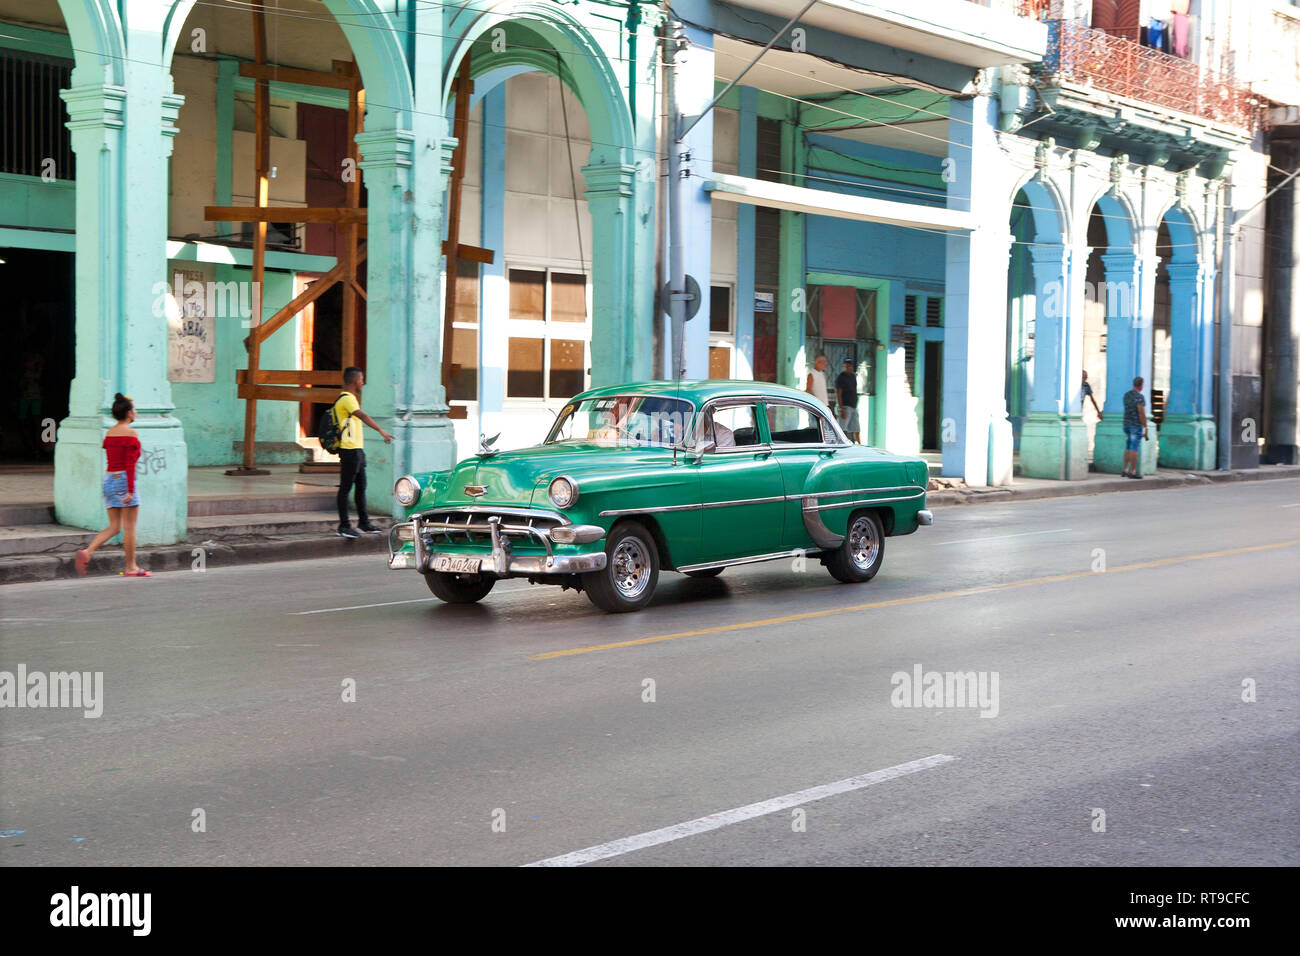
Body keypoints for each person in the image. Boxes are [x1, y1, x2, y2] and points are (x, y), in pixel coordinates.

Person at [75, 393, 150, 577]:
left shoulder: (110, 432)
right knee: (130, 527)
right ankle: (131, 567)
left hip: (109, 479)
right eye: (135, 409)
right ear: (129, 413)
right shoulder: (131, 433)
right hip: (124, 480)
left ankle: (88, 552)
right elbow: (130, 465)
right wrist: (131, 490)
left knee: (115, 527)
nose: (136, 412)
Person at [335, 366, 394, 538]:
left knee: (361, 487)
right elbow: (363, 416)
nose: (363, 382)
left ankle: (364, 522)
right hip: (349, 451)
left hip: (356, 450)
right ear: (355, 381)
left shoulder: (349, 398)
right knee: (345, 489)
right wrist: (381, 431)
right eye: (361, 379)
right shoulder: (347, 398)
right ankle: (344, 526)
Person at [1121, 375, 1148, 479]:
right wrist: (1145, 425)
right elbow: (1141, 412)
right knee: (1134, 448)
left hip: (1126, 424)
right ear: (1141, 385)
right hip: (1135, 425)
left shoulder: (1126, 395)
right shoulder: (1139, 397)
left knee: (1128, 447)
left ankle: (1124, 469)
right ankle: (1132, 471)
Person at [835, 358, 861, 443]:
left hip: (854, 407)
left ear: (852, 366)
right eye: (846, 365)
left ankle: (860, 446)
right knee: (842, 430)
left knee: (856, 429)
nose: (848, 367)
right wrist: (841, 409)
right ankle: (841, 445)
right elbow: (839, 393)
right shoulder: (841, 377)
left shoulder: (853, 376)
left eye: (849, 365)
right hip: (845, 407)